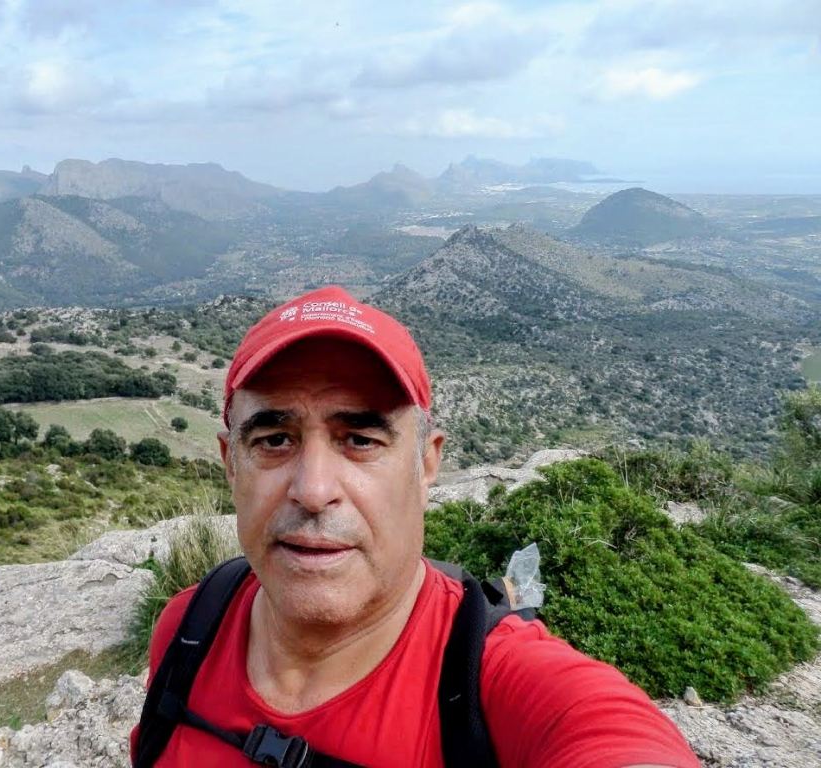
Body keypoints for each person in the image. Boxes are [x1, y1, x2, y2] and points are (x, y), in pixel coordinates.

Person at [132, 285, 699, 767]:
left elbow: (611, 735)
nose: (313, 490)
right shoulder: (188, 630)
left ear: (426, 465)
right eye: (274, 439)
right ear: (231, 463)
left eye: (360, 440)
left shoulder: (496, 678)